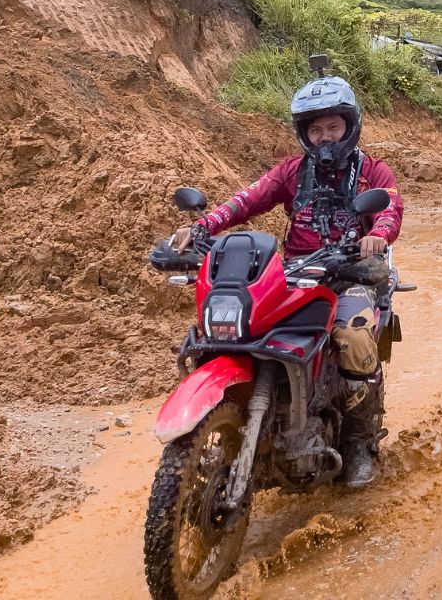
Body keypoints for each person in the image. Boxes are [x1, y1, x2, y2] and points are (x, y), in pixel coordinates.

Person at [171, 75, 403, 488]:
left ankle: (360, 444)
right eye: (316, 129)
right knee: (240, 329)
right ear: (304, 133)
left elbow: (390, 208)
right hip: (296, 274)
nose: (325, 136)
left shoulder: (372, 171)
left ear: (350, 126)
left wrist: (377, 236)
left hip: (350, 274)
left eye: (333, 127)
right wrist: (203, 227)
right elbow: (247, 199)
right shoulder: (292, 171)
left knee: (354, 340)